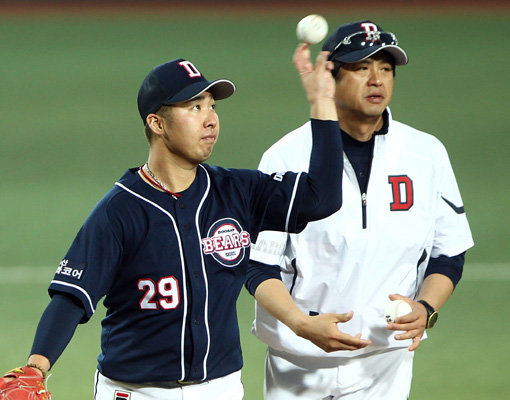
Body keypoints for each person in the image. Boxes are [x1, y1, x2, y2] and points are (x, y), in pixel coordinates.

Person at [0, 45, 344, 400]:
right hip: (136, 393)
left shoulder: (238, 191)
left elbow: (323, 198)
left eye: (212, 106)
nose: (211, 119)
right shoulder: (120, 210)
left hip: (221, 389)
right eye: (194, 107)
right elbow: (72, 297)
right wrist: (36, 367)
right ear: (157, 123)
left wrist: (323, 105)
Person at [246, 20, 474, 400]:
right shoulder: (286, 156)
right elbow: (257, 265)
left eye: (386, 68)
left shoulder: (426, 153)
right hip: (300, 363)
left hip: (386, 360)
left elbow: (448, 252)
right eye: (361, 67)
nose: (377, 79)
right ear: (330, 77)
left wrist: (426, 307)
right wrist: (302, 325)